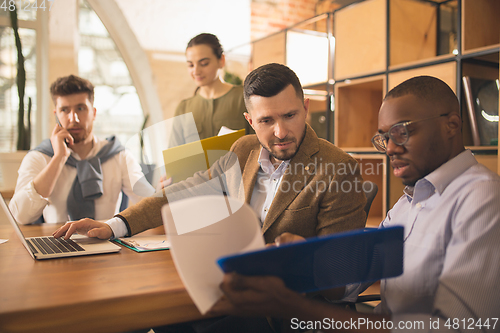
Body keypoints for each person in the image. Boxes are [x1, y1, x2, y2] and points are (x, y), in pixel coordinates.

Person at [208, 76, 500, 332]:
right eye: (384, 138)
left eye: (403, 132)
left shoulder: (482, 198)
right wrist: (303, 260)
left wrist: (294, 306)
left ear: (451, 125)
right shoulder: (408, 203)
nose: (392, 149)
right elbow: (349, 280)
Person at [9, 75, 152, 224]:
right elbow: (20, 217)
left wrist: (163, 194)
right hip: (58, 243)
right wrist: (58, 158)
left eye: (80, 108)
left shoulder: (119, 155)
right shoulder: (39, 157)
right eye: (65, 110)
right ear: (56, 114)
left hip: (109, 242)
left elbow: (149, 204)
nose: (74, 119)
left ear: (94, 113)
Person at [170, 33, 249, 147]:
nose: (196, 71)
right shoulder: (184, 108)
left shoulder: (244, 99)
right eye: (191, 65)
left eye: (204, 63)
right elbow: (174, 156)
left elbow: (259, 147)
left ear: (221, 60)